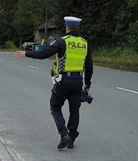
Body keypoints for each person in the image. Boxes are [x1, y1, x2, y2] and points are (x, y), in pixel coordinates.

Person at [15, 16, 93, 149]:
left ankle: (64, 134)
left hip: (63, 80)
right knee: (74, 110)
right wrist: (87, 84)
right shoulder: (84, 43)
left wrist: (25, 54)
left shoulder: (62, 41)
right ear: (78, 27)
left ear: (67, 27)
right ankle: (72, 138)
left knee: (55, 107)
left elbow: (43, 54)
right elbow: (89, 66)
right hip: (78, 81)